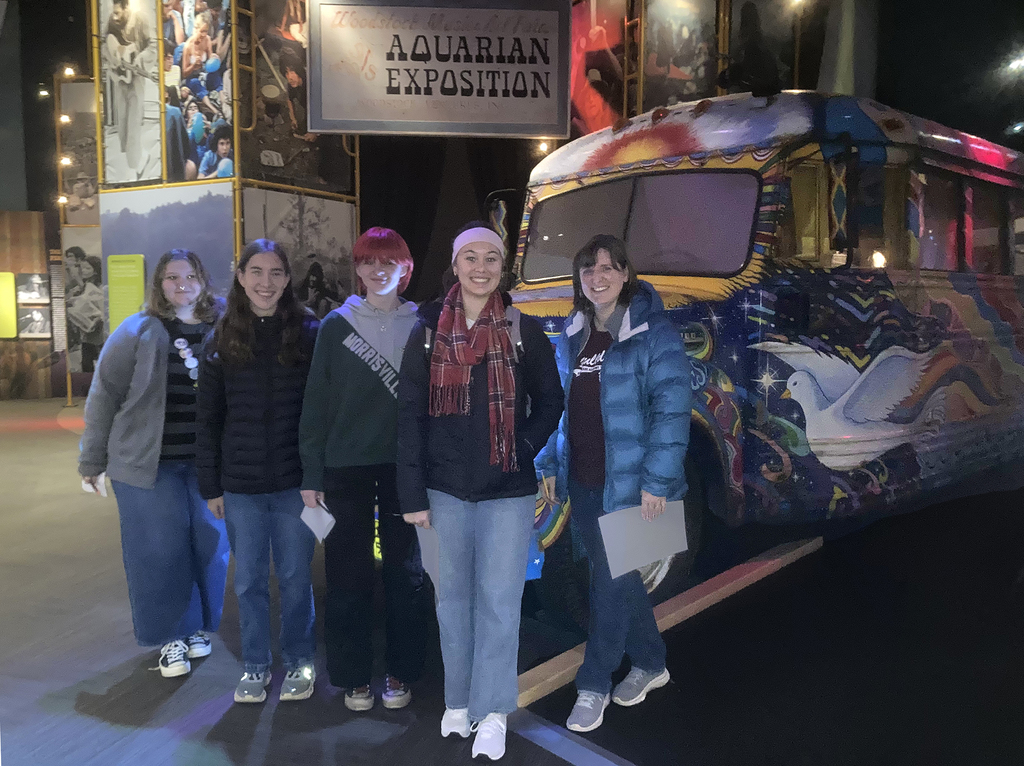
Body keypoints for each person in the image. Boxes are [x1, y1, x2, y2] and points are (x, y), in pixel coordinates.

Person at [397, 222, 563, 761]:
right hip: (441, 491)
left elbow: (551, 400)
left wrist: (524, 445)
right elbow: (410, 416)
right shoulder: (426, 330)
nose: (481, 267)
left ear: (502, 267)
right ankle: (458, 701)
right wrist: (412, 495)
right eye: (471, 257)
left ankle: (492, 710)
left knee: (499, 603)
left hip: (507, 493)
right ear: (455, 263)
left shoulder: (522, 330)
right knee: (451, 601)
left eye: (491, 257)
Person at [535, 234, 691, 733]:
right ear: (579, 280)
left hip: (633, 484)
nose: (597, 277)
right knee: (620, 577)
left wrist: (657, 483)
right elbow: (562, 411)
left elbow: (672, 413)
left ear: (627, 274)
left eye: (608, 267)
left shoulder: (655, 333)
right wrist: (550, 467)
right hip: (584, 482)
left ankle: (594, 683)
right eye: (588, 269)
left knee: (609, 583)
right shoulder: (574, 335)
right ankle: (652, 662)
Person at [79, 249, 229, 678]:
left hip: (209, 468)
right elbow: (104, 395)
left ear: (203, 279)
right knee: (158, 551)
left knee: (210, 547)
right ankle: (170, 637)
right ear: (158, 285)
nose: (181, 284)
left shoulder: (224, 329)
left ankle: (197, 625)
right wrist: (92, 459)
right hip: (148, 465)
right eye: (170, 277)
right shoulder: (137, 331)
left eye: (189, 275)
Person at [299, 227, 427, 712]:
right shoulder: (335, 325)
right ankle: (353, 676)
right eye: (369, 261)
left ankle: (401, 671)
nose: (378, 270)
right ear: (357, 269)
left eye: (388, 261)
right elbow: (316, 405)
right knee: (347, 577)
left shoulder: (425, 324)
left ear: (405, 268)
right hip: (344, 469)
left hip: (406, 470)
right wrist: (312, 474)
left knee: (405, 575)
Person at [196, 239, 320, 704]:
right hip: (241, 485)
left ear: (288, 279)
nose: (265, 283)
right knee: (247, 580)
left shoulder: (309, 331)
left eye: (275, 273)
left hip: (294, 484)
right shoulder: (222, 334)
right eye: (256, 272)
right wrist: (211, 484)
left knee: (294, 577)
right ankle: (255, 665)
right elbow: (208, 419)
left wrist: (316, 478)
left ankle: (300, 660)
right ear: (241, 276)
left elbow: (320, 414)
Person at [105, 0, 155, 179]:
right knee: (122, 126)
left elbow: (153, 48)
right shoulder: (112, 21)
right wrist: (115, 60)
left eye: (119, 12)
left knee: (134, 123)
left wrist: (138, 59)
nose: (116, 16)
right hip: (119, 79)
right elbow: (107, 45)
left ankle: (133, 170)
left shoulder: (141, 19)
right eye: (114, 12)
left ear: (127, 7)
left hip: (136, 79)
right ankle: (139, 159)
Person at [66, 255, 106, 373]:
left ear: (95, 270)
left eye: (88, 268)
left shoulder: (101, 286)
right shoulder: (79, 287)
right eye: (82, 268)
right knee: (86, 363)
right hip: (85, 331)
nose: (83, 271)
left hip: (99, 330)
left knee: (100, 361)